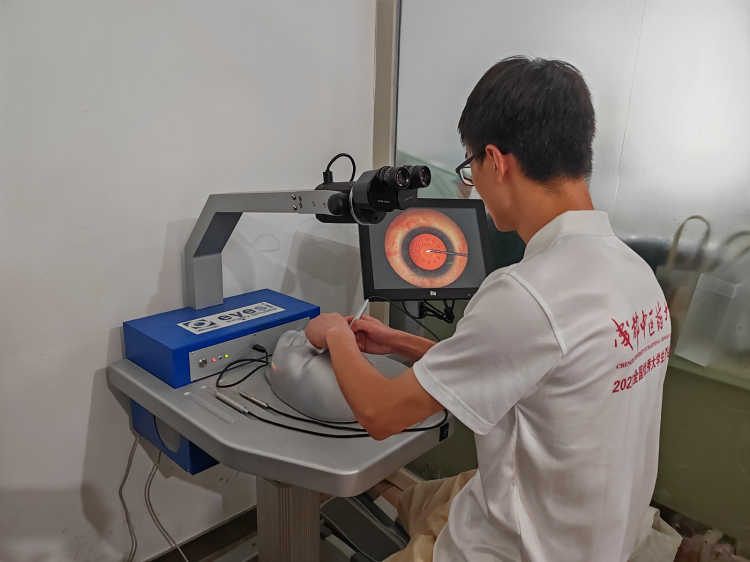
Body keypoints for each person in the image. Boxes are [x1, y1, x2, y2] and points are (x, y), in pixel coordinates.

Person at [305, 56, 673, 562]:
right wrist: (402, 343)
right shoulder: (636, 274)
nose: (471, 183)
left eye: (470, 167)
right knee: (436, 494)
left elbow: (381, 414)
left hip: (525, 550)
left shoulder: (526, 293)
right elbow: (539, 366)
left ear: (496, 162)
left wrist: (334, 333)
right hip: (603, 536)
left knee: (420, 497)